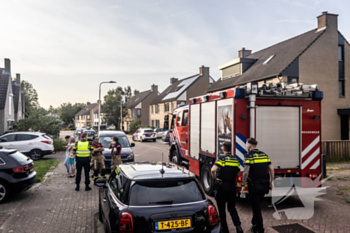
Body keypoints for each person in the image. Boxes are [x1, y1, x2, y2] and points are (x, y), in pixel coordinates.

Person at [241, 138, 274, 233]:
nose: (246, 146)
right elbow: (271, 169)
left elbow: (246, 172)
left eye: (246, 144)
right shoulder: (264, 155)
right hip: (264, 186)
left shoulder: (249, 156)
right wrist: (271, 183)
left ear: (249, 146)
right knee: (257, 206)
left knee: (257, 210)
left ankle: (260, 229)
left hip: (254, 186)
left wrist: (243, 185)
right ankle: (254, 223)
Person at [211, 141, 243, 233]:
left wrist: (215, 178)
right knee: (232, 208)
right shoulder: (235, 160)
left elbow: (213, 169)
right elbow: (237, 172)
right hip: (232, 187)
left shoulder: (222, 159)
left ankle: (225, 230)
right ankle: (238, 227)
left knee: (222, 210)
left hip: (222, 187)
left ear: (223, 149)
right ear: (230, 149)